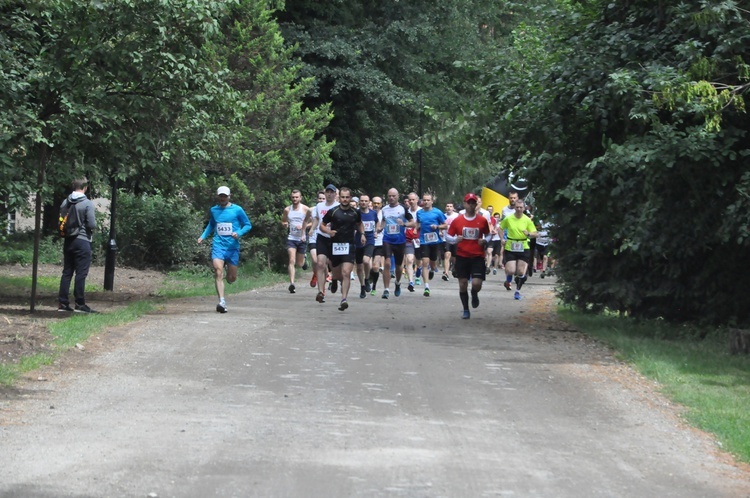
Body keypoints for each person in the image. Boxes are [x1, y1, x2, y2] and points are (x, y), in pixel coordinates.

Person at [197, 186, 253, 313]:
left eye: (225, 196)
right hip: (218, 245)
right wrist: (202, 236)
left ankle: (229, 274)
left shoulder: (237, 210)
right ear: (218, 196)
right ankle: (221, 301)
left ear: (229, 196)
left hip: (232, 247)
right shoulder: (214, 210)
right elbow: (211, 224)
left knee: (232, 278)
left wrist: (238, 233)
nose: (223, 198)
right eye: (221, 196)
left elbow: (248, 225)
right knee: (218, 271)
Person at [446, 193, 490, 319]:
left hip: (477, 256)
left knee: (476, 283)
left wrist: (485, 240)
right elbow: (448, 236)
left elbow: (488, 234)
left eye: (473, 203)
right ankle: (466, 309)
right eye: (468, 203)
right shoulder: (458, 220)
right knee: (463, 283)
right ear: (464, 204)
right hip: (462, 256)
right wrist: (455, 239)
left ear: (476, 205)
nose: (471, 205)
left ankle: (474, 293)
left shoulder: (482, 220)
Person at [320, 188, 364, 311]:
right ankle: (334, 280)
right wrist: (329, 232)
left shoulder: (355, 212)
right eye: (343, 197)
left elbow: (359, 223)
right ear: (339, 198)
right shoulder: (333, 212)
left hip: (349, 245)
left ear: (350, 198)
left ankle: (344, 299)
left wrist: (363, 234)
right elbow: (322, 225)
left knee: (346, 272)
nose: (345, 199)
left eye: (347, 197)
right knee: (337, 272)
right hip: (335, 245)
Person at [58, 177, 98, 313]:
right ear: (85, 187)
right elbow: (92, 224)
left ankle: (63, 303)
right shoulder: (87, 203)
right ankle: (80, 303)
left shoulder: (65, 202)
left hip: (68, 240)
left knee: (67, 272)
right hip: (82, 240)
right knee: (81, 273)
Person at [500, 199, 537, 300]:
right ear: (514, 208)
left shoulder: (527, 220)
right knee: (511, 270)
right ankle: (508, 280)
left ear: (524, 208)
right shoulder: (509, 218)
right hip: (510, 246)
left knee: (521, 272)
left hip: (523, 246)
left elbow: (535, 233)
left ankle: (517, 291)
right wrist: (502, 238)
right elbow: (500, 228)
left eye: (521, 207)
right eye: (517, 207)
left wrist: (529, 234)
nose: (519, 209)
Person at [379, 188, 413, 299]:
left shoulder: (403, 208)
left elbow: (412, 222)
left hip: (400, 240)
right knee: (387, 263)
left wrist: (404, 224)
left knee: (399, 266)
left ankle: (397, 283)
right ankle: (386, 289)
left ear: (398, 196)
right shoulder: (384, 209)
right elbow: (383, 221)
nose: (391, 198)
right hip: (387, 239)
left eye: (393, 196)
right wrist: (380, 228)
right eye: (389, 196)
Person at [310, 184, 339, 303]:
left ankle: (335, 279)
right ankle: (321, 292)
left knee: (333, 264)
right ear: (325, 193)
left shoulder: (338, 206)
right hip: (321, 236)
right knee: (320, 263)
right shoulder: (319, 205)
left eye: (332, 192)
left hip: (334, 238)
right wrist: (312, 228)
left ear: (335, 194)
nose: (329, 194)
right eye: (327, 192)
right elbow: (317, 218)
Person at [415, 193, 447, 297]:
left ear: (432, 201)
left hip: (435, 241)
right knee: (425, 262)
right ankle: (426, 287)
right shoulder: (419, 213)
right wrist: (415, 229)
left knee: (433, 263)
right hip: (424, 241)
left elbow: (445, 225)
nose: (426, 202)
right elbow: (418, 223)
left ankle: (433, 270)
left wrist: (437, 227)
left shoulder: (437, 212)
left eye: (428, 200)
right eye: (424, 200)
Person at [281, 189, 312, 294]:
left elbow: (313, 223)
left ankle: (304, 260)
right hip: (292, 238)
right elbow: (283, 220)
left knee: (299, 263)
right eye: (293, 197)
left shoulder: (305, 209)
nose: (295, 199)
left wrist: (303, 226)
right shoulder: (287, 210)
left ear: (300, 198)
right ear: (291, 198)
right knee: (291, 260)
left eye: (296, 197)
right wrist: (285, 224)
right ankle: (292, 284)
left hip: (302, 238)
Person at [355, 194, 377, 298]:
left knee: (366, 261)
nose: (363, 202)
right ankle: (362, 286)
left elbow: (377, 222)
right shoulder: (356, 213)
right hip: (358, 241)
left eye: (366, 201)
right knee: (359, 267)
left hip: (370, 240)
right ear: (359, 202)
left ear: (369, 203)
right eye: (362, 201)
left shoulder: (373, 213)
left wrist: (376, 231)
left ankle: (367, 279)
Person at [306, 190, 326, 288]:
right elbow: (307, 221)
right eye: (320, 198)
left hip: (324, 237)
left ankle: (323, 276)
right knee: (315, 260)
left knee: (322, 261)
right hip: (313, 236)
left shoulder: (330, 209)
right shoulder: (312, 210)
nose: (321, 200)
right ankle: (316, 274)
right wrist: (307, 228)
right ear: (317, 199)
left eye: (323, 198)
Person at [404, 192, 422, 291]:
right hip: (408, 239)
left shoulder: (421, 211)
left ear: (417, 200)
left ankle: (418, 272)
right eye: (409, 200)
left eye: (413, 199)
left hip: (419, 238)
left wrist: (417, 227)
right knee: (410, 260)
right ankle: (411, 282)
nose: (411, 201)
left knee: (419, 260)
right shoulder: (405, 211)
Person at [369, 195, 385, 296]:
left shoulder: (384, 214)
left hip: (380, 243)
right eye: (374, 203)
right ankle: (368, 278)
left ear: (381, 204)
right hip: (368, 242)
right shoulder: (367, 213)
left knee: (375, 266)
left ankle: (374, 286)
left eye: (378, 203)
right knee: (368, 265)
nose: (376, 205)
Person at [441, 201, 458, 281]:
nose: (449, 208)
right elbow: (440, 225)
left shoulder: (457, 216)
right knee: (447, 255)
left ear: (453, 208)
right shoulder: (443, 216)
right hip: (446, 238)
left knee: (454, 257)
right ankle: (446, 273)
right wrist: (440, 232)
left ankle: (454, 267)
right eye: (447, 206)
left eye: (451, 206)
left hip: (455, 239)